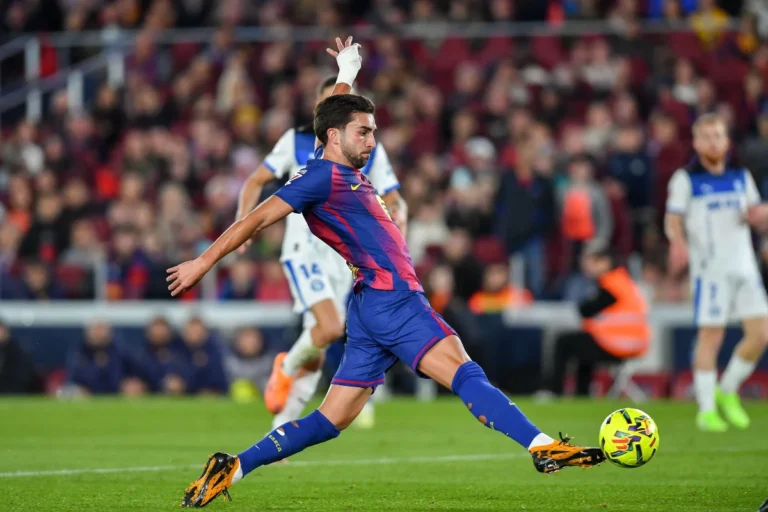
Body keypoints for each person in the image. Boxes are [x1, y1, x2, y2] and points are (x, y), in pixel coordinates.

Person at [168, 37, 604, 509]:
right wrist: (203, 262)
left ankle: (233, 466)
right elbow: (254, 220)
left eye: (373, 132)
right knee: (464, 373)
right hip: (392, 296)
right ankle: (542, 447)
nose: (372, 142)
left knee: (331, 420)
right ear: (336, 137)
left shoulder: (325, 159)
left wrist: (347, 72)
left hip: (368, 303)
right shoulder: (319, 179)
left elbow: (332, 115)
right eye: (364, 133)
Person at [235, 72, 407, 430]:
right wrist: (242, 221)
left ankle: (280, 431)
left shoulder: (367, 146)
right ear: (318, 106)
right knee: (330, 328)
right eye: (331, 100)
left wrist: (398, 218)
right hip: (304, 249)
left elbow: (393, 195)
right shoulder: (296, 140)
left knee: (318, 342)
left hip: (342, 256)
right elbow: (256, 180)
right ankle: (285, 367)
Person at [665, 113, 768, 432]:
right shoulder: (686, 179)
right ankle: (706, 410)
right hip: (711, 270)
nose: (712, 142)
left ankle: (728, 389)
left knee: (761, 335)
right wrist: (678, 243)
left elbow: (755, 213)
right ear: (696, 143)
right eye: (706, 137)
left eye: (717, 136)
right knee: (712, 336)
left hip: (745, 267)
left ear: (727, 141)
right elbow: (673, 218)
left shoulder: (740, 176)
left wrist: (761, 217)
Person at [539, 243, 650, 396]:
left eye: (592, 261)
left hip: (619, 343)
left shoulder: (612, 284)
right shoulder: (622, 281)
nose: (587, 266)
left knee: (563, 342)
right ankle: (582, 393)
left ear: (605, 262)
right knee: (583, 347)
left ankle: (552, 391)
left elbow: (586, 310)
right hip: (632, 343)